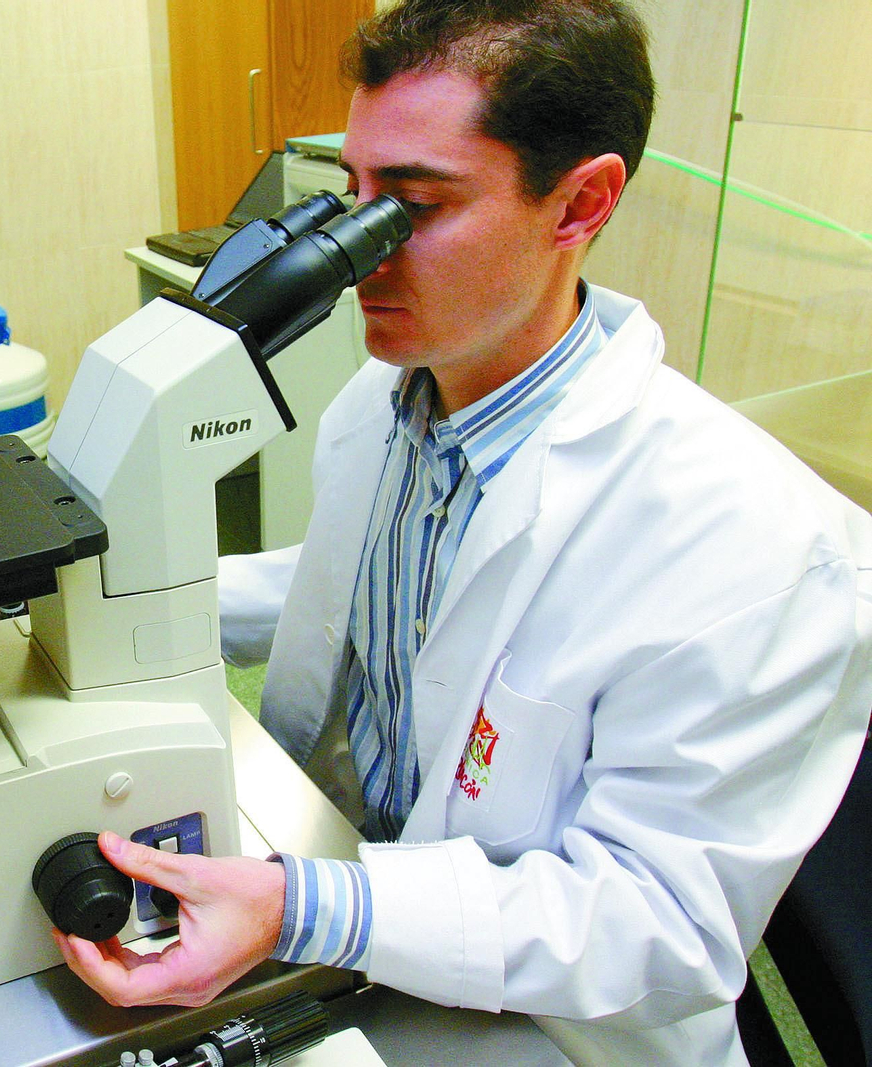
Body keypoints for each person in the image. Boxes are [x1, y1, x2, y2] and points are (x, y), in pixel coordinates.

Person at [50, 1, 872, 1061]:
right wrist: (100, 595)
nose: (361, 258)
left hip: (550, 1023)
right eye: (352, 196)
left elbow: (662, 928)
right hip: (356, 911)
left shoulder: (762, 548)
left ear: (580, 203)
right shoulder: (390, 399)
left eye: (413, 206)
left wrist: (308, 908)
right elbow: (360, 587)